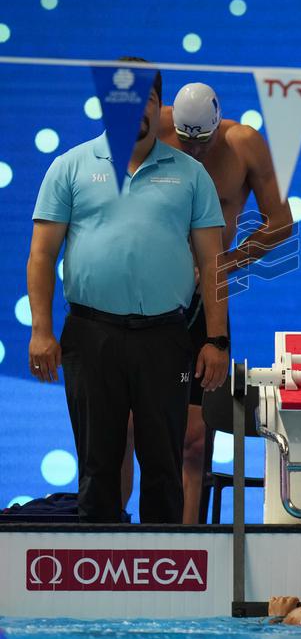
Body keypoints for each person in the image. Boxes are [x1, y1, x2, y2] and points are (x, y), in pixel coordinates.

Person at [27, 64, 229, 523]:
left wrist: (216, 341)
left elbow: (213, 263)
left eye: (144, 100)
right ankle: (98, 584)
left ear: (159, 106)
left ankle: (165, 582)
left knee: (164, 465)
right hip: (89, 335)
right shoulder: (70, 167)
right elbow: (41, 257)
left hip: (164, 338)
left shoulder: (191, 175)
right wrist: (42, 331)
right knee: (97, 467)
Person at [121, 81, 293, 522]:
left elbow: (281, 224)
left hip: (203, 302)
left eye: (203, 141)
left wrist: (223, 264)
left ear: (218, 124)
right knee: (126, 427)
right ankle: (114, 535)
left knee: (194, 438)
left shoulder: (244, 145)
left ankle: (187, 547)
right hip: (146, 297)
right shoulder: (149, 130)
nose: (193, 152)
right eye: (185, 141)